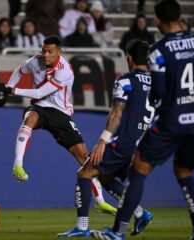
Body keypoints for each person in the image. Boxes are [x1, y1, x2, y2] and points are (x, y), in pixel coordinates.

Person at [91, 1, 194, 240]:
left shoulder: (159, 50)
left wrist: (154, 98)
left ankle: (118, 232)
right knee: (185, 173)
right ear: (180, 16)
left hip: (171, 121)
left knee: (138, 169)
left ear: (158, 20)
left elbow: (160, 90)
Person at [0, 35, 117, 215]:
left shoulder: (65, 70)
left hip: (61, 113)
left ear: (59, 51)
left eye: (50, 52)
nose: (46, 55)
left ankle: (100, 202)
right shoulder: (35, 61)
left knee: (84, 158)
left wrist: (11, 90)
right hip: (39, 107)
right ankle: (17, 164)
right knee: (30, 118)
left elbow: (41, 91)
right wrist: (5, 92)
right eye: (44, 50)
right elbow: (20, 71)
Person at [57, 39, 154, 238]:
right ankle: (140, 213)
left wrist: (103, 141)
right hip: (142, 143)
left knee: (84, 173)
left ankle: (82, 227)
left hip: (122, 142)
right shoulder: (157, 82)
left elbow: (117, 113)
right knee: (104, 176)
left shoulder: (126, 80)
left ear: (129, 58)